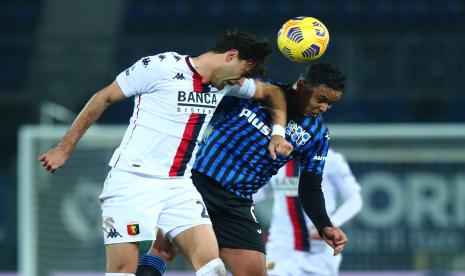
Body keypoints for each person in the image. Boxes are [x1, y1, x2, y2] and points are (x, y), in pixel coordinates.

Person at [38, 31, 294, 276]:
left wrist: (278, 132)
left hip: (179, 186)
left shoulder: (224, 85)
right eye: (243, 73)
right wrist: (64, 148)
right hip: (133, 182)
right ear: (230, 56)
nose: (241, 82)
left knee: (211, 267)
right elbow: (102, 97)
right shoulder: (160, 67)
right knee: (122, 271)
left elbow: (273, 93)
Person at [142, 63, 348, 276]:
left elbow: (310, 186)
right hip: (196, 185)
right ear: (303, 85)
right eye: (321, 99)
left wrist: (324, 226)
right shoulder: (257, 92)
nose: (324, 108)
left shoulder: (317, 134)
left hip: (236, 204)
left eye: (331, 104)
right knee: (162, 251)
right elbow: (205, 108)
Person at [265, 148, 363, 276]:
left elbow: (354, 199)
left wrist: (330, 224)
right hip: (280, 249)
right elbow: (261, 191)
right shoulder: (274, 159)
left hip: (319, 254)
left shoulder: (331, 159)